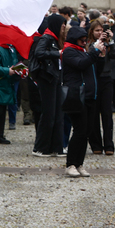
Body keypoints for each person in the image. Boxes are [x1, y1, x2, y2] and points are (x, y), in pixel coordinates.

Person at [62, 26, 105, 177]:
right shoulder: (69, 51)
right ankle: (70, 164)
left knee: (86, 131)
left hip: (89, 96)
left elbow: (94, 69)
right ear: (74, 38)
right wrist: (94, 52)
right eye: (82, 39)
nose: (84, 41)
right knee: (79, 131)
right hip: (77, 96)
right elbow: (81, 64)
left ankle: (79, 163)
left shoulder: (83, 51)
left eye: (85, 39)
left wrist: (100, 56)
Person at [30, 15, 67, 157]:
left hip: (55, 78)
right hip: (47, 79)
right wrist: (57, 53)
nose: (63, 29)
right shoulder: (46, 38)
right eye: (62, 26)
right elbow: (39, 53)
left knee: (58, 114)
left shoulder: (56, 39)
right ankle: (40, 147)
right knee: (48, 114)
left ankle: (56, 147)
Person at [87, 20, 115, 155]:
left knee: (107, 113)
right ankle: (96, 144)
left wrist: (111, 41)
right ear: (92, 32)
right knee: (93, 113)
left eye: (101, 30)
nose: (100, 33)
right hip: (93, 80)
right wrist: (97, 45)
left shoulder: (108, 44)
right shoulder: (89, 45)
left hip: (106, 79)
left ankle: (109, 145)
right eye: (97, 30)